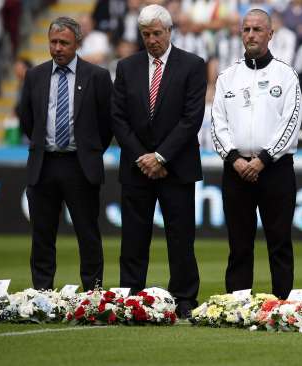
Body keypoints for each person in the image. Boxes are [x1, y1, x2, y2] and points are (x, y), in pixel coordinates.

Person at [111, 4, 206, 318]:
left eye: (156, 33)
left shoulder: (192, 65)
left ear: (169, 31)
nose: (151, 39)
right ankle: (130, 296)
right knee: (134, 239)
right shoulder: (127, 67)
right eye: (145, 34)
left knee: (181, 239)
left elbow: (191, 118)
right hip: (137, 168)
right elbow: (119, 119)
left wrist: (162, 156)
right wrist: (144, 157)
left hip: (176, 167)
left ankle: (184, 299)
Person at [17, 17, 113, 291]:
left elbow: (106, 125)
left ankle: (93, 294)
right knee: (42, 236)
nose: (58, 48)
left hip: (79, 166)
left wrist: (89, 152)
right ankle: (41, 294)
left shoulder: (97, 76)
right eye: (54, 42)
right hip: (43, 164)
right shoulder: (35, 75)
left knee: (88, 234)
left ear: (77, 44)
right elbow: (27, 118)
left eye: (64, 43)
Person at [211, 9, 301, 299]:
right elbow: (217, 124)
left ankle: (285, 305)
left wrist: (263, 159)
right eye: (246, 29)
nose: (251, 35)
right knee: (239, 244)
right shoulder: (227, 77)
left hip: (275, 169)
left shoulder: (286, 75)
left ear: (270, 34)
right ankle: (237, 304)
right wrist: (235, 159)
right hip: (235, 170)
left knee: (279, 242)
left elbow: (291, 122)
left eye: (257, 29)